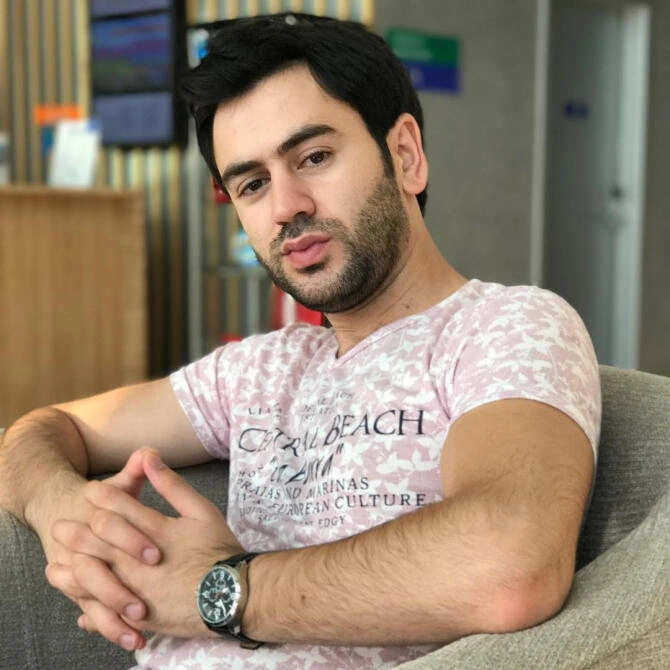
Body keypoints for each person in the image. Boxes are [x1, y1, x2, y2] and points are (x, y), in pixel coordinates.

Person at [0, 13, 601, 670]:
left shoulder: (504, 327)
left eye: (314, 157)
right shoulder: (257, 370)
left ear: (405, 155)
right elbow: (42, 430)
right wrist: (59, 507)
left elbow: (509, 561)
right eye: (252, 184)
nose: (286, 206)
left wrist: (216, 591)